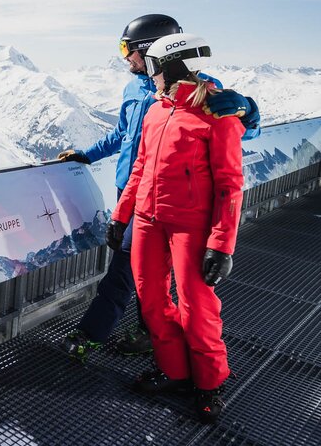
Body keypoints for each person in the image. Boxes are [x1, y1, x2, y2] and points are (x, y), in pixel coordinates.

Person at [57, 14, 259, 361]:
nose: (125, 58)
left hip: (171, 199)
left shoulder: (201, 87)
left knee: (127, 270)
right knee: (142, 271)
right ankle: (149, 332)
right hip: (130, 191)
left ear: (152, 50)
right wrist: (87, 155)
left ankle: (97, 333)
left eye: (128, 50)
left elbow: (240, 135)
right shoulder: (134, 88)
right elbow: (123, 134)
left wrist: (248, 111)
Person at [107, 32, 242, 423]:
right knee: (151, 301)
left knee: (197, 308)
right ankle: (175, 371)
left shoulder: (216, 113)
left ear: (171, 66)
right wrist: (121, 215)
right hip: (148, 222)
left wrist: (222, 245)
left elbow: (230, 184)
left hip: (190, 226)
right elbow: (140, 168)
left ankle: (210, 383)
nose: (149, 73)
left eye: (153, 65)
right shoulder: (155, 110)